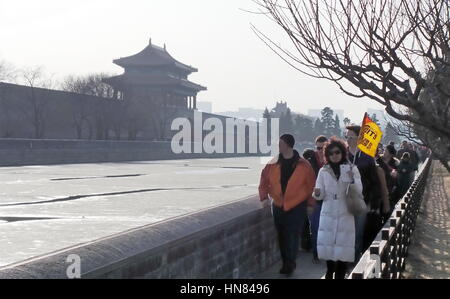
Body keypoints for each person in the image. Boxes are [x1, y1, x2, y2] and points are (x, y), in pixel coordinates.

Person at [259, 134, 316, 276]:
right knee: (282, 235)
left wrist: (310, 204)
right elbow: (264, 180)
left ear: (288, 145)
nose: (278, 146)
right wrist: (263, 197)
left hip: (297, 205)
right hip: (278, 204)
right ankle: (286, 261)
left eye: (280, 143)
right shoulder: (272, 163)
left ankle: (290, 262)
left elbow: (311, 185)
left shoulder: (304, 165)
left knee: (293, 234)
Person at [313, 138, 363, 279]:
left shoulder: (351, 168)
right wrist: (317, 193)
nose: (334, 155)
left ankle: (341, 273)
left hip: (345, 210)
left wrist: (352, 179)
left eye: (337, 152)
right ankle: (329, 271)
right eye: (330, 153)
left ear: (342, 152)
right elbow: (319, 191)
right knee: (329, 245)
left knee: (343, 245)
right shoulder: (323, 170)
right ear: (326, 155)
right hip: (328, 210)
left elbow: (359, 190)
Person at [345, 125, 382, 261]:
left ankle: (355, 261)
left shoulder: (367, 158)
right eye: (346, 137)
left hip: (362, 201)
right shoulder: (342, 155)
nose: (348, 140)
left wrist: (373, 203)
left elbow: (375, 183)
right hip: (344, 202)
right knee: (345, 233)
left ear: (359, 138)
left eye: (351, 137)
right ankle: (344, 261)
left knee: (357, 233)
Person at [302, 135, 328, 263]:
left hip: (330, 201)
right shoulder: (309, 161)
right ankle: (316, 254)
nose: (320, 150)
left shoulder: (334, 160)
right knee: (316, 228)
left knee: (328, 228)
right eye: (318, 148)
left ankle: (327, 253)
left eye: (322, 148)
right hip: (314, 201)